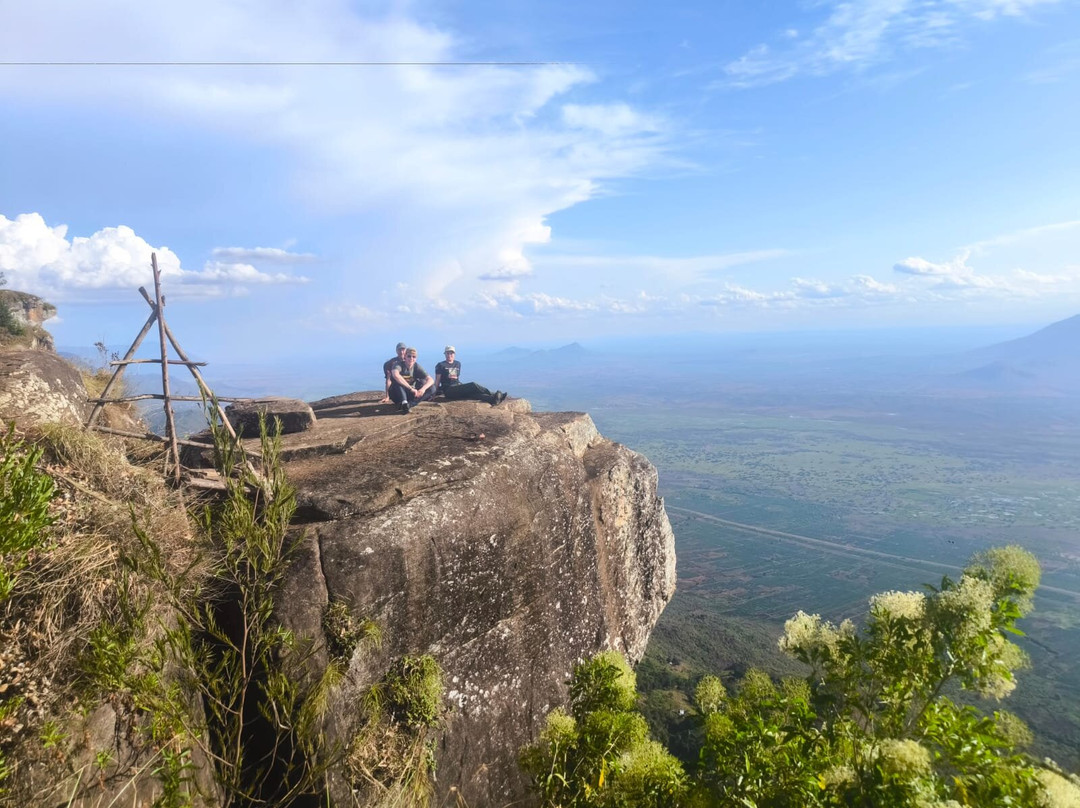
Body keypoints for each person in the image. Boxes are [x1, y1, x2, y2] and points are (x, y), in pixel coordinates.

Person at [435, 346, 507, 405]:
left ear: (454, 354)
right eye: (448, 353)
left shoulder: (457, 364)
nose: (449, 355)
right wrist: (434, 393)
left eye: (451, 353)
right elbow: (437, 381)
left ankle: (493, 400)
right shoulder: (441, 365)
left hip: (457, 386)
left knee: (474, 393)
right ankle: (495, 394)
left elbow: (456, 378)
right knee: (473, 385)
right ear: (445, 354)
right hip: (449, 390)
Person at [388, 347, 435, 413]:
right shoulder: (398, 364)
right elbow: (396, 375)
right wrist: (410, 388)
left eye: (414, 357)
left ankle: (410, 404)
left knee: (432, 388)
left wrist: (422, 389)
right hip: (397, 393)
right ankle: (404, 402)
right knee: (398, 382)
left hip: (411, 393)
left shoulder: (416, 366)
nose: (411, 359)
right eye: (409, 356)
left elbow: (431, 380)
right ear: (405, 356)